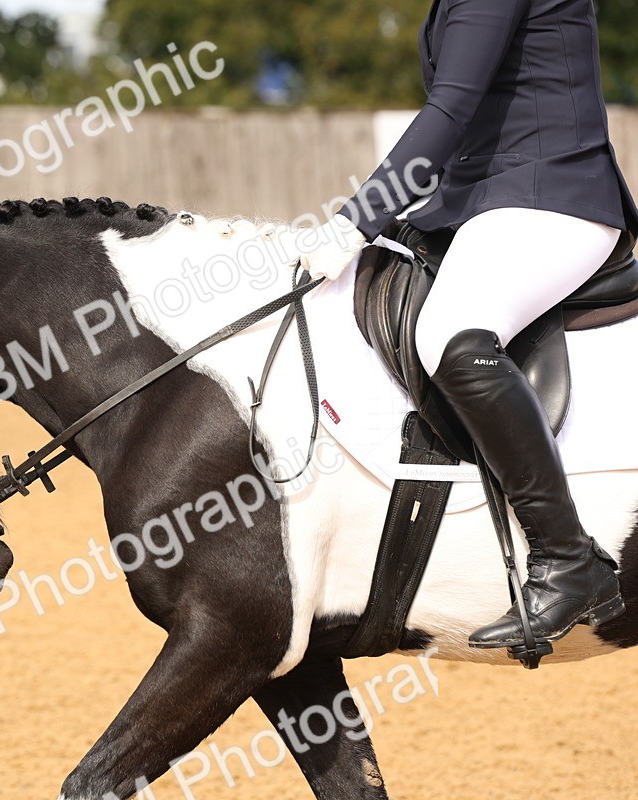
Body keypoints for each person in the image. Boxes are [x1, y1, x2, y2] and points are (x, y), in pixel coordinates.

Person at [300, 0, 638, 652]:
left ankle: (568, 558)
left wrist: (356, 219)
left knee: (450, 330)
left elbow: (450, 112)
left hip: (553, 195)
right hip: (492, 199)